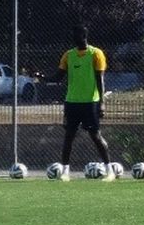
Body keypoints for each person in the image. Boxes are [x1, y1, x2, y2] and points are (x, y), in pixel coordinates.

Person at [48, 25, 113, 182]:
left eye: (76, 35)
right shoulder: (68, 55)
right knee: (69, 136)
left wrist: (102, 103)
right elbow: (57, 78)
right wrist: (39, 75)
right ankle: (65, 172)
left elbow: (100, 79)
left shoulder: (96, 54)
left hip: (90, 102)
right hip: (72, 102)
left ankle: (109, 170)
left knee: (95, 135)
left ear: (83, 36)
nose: (74, 39)